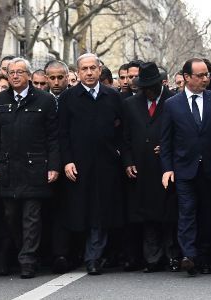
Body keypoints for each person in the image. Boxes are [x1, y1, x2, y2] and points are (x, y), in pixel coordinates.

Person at [160, 58, 211, 276]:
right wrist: (167, 168)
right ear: (186, 77)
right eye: (200, 75)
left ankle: (204, 257)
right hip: (184, 169)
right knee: (186, 212)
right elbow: (166, 141)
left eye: (207, 75)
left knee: (208, 214)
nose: (205, 79)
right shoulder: (172, 104)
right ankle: (189, 256)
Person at [0, 57, 60, 279]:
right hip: (9, 168)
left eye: (20, 72)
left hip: (35, 167)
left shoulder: (45, 100)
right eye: (11, 72)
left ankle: (27, 260)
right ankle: (24, 251)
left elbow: (53, 137)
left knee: (32, 216)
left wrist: (54, 165)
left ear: (29, 75)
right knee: (11, 215)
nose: (16, 76)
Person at [58, 53, 124, 275]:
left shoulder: (112, 96)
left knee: (101, 212)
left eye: (92, 68)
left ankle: (93, 257)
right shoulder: (68, 98)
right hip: (78, 164)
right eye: (84, 69)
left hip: (106, 164)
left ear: (99, 70)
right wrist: (67, 161)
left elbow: (121, 130)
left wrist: (118, 154)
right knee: (80, 211)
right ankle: (80, 253)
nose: (88, 72)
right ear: (77, 72)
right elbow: (62, 133)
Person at [121, 62, 178, 273]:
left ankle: (172, 256)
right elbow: (124, 138)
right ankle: (152, 258)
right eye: (145, 87)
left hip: (165, 168)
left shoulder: (173, 100)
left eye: (153, 86)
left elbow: (182, 132)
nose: (150, 91)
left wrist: (167, 147)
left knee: (169, 214)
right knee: (147, 217)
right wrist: (128, 162)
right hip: (141, 168)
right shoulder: (130, 104)